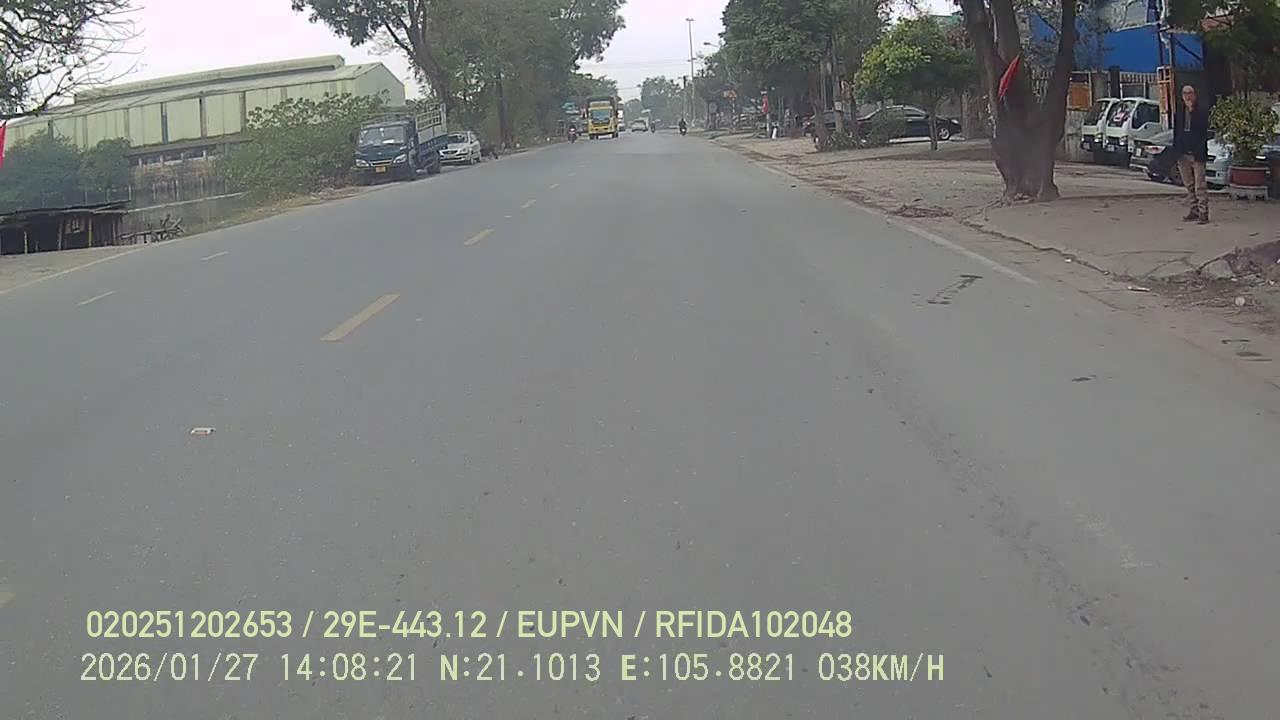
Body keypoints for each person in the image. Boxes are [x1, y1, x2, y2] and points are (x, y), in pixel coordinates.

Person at [1173, 85, 1210, 224]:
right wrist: (1176, 150)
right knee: (1189, 183)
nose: (1187, 96)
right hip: (1183, 152)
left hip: (1197, 153)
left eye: (1190, 93)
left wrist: (1192, 110)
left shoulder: (1200, 110)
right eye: (1185, 93)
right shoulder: (1179, 111)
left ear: (1194, 95)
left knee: (1200, 184)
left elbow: (1201, 128)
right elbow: (1177, 131)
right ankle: (1193, 209)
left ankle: (1203, 211)